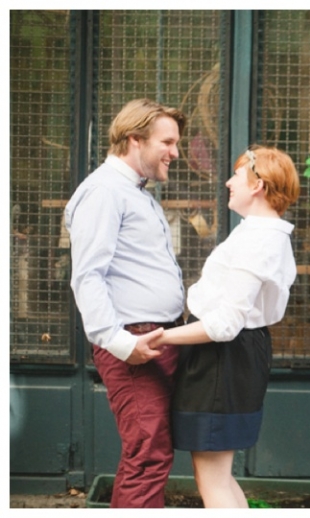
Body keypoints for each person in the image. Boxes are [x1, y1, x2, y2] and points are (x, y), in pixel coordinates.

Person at [147, 144, 300, 508]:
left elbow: (226, 324)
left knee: (212, 477)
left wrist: (162, 337)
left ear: (258, 185)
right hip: (233, 357)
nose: (229, 182)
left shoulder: (258, 240)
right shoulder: (265, 233)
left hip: (221, 359)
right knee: (218, 475)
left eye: (236, 175)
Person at [65, 98, 187, 508]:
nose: (176, 152)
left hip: (156, 339)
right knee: (148, 456)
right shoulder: (102, 192)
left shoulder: (135, 193)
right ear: (135, 140)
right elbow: (87, 276)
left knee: (154, 454)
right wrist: (120, 344)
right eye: (167, 142)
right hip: (134, 345)